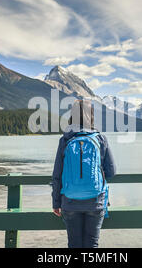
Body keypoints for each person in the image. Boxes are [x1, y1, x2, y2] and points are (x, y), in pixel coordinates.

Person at [52, 99, 116, 248]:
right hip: (95, 202)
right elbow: (111, 171)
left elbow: (57, 174)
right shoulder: (100, 139)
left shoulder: (65, 140)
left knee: (74, 244)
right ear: (91, 116)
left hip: (70, 202)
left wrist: (56, 202)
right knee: (92, 244)